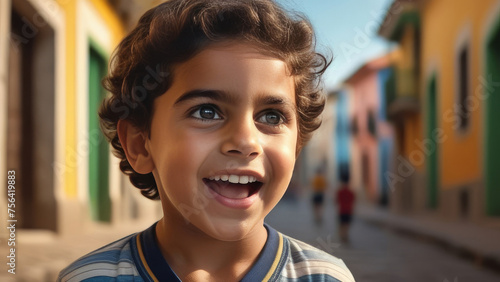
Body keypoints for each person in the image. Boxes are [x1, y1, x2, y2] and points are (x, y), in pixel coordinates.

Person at [58, 0, 355, 281]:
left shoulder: (326, 276)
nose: (245, 141)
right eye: (207, 111)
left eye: (272, 117)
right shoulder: (90, 277)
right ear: (139, 143)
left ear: (297, 145)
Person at [335, 175, 356, 243]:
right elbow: (353, 201)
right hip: (349, 210)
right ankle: (346, 234)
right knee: (347, 223)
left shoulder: (340, 192)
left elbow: (336, 201)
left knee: (341, 223)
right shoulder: (351, 192)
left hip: (341, 210)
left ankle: (342, 235)